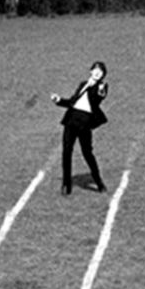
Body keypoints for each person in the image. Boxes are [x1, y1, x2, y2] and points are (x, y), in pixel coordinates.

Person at [50, 61, 109, 196]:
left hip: (85, 122)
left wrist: (98, 88)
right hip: (71, 120)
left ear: (102, 75)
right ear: (90, 71)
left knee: (87, 153)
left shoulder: (101, 86)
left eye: (100, 71)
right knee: (66, 152)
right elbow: (73, 102)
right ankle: (66, 184)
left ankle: (98, 182)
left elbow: (98, 98)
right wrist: (59, 100)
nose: (97, 72)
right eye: (95, 70)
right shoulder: (83, 84)